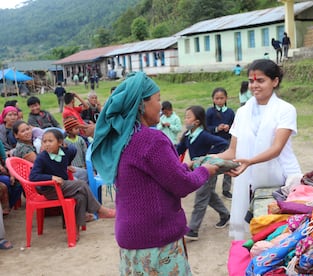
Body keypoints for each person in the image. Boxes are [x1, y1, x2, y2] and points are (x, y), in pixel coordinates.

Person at [91, 72, 219, 275]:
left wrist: (188, 167)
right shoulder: (151, 139)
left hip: (132, 239)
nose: (161, 105)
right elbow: (181, 185)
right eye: (157, 99)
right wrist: (206, 170)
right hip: (155, 241)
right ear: (141, 104)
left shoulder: (124, 139)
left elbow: (158, 176)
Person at [215, 59, 302, 240]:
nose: (254, 85)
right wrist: (209, 159)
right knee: (252, 236)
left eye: (260, 80)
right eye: (252, 81)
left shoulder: (285, 110)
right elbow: (233, 151)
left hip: (281, 179)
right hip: (249, 180)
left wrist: (250, 161)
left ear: (275, 81)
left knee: (278, 236)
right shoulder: (242, 112)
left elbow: (277, 148)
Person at [29, 128, 115, 240]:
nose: (47, 144)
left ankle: (75, 230)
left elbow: (73, 150)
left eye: (50, 141)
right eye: (44, 141)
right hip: (51, 190)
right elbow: (33, 176)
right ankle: (100, 210)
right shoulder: (42, 158)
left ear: (60, 142)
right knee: (81, 184)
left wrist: (67, 164)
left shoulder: (66, 151)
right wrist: (51, 177)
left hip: (64, 186)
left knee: (80, 197)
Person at [176, 105, 230, 241]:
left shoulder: (204, 136)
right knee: (208, 195)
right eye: (185, 117)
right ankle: (225, 215)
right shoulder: (188, 136)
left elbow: (223, 143)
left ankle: (193, 230)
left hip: (208, 170)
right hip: (196, 170)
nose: (185, 120)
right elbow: (178, 150)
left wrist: (209, 157)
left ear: (197, 122)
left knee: (201, 197)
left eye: (188, 117)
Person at [206, 88, 235, 199]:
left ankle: (226, 190)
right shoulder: (210, 112)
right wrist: (217, 129)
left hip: (227, 142)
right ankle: (211, 190)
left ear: (226, 98)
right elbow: (206, 127)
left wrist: (229, 128)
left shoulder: (230, 112)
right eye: (217, 98)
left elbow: (235, 127)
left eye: (221, 98)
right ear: (213, 99)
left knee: (229, 165)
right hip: (214, 143)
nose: (219, 100)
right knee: (214, 165)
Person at [63, 117, 88, 183]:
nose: (78, 130)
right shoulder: (65, 142)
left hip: (82, 165)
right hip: (72, 167)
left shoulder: (80, 139)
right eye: (76, 128)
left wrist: (85, 163)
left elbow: (85, 151)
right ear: (69, 131)